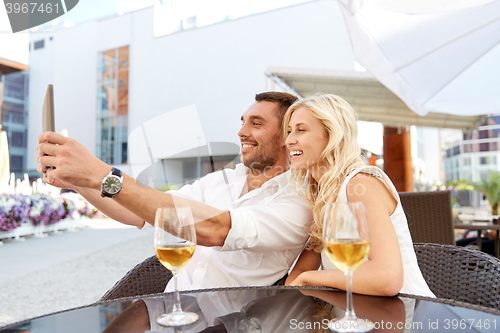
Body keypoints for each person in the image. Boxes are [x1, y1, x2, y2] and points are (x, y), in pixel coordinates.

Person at [36, 92, 312, 291]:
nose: (241, 131)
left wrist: (101, 173)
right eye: (242, 121)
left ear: (287, 136)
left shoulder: (297, 202)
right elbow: (138, 212)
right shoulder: (221, 180)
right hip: (173, 308)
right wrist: (80, 182)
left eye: (256, 123)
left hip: (228, 322)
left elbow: (216, 229)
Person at [282, 94, 434, 297]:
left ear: (333, 136)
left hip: (407, 317)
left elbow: (387, 277)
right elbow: (298, 274)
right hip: (360, 317)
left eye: (301, 130)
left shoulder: (359, 184)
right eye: (290, 131)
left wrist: (311, 279)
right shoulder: (324, 196)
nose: (289, 140)